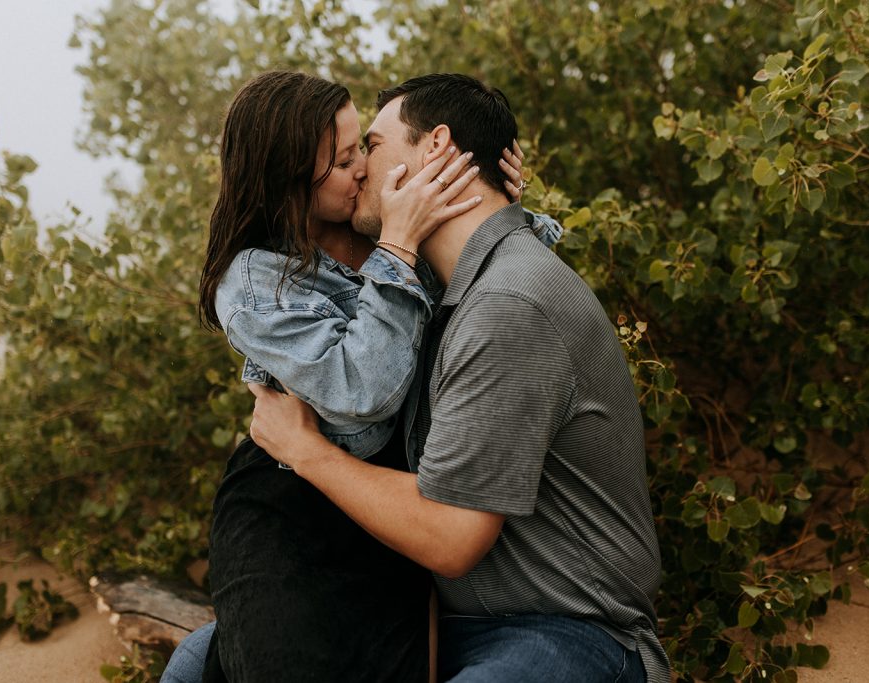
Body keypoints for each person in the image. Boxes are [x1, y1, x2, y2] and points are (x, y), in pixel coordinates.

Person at [247, 74, 670, 683]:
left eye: (372, 144)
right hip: (449, 625)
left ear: (436, 147)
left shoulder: (509, 302)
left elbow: (450, 537)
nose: (360, 168)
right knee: (200, 660)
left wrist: (305, 450)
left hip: (569, 630)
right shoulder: (457, 292)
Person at [161, 71, 561, 682]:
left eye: (362, 149)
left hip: (388, 508)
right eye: (344, 159)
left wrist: (492, 200)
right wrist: (400, 246)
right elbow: (362, 396)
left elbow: (492, 282)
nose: (362, 170)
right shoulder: (255, 282)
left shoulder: (378, 223)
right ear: (290, 175)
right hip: (292, 509)